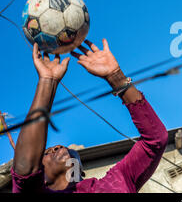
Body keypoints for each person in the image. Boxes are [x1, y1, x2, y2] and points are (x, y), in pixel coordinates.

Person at [11, 39, 168, 193]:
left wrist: (115, 77)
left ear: (82, 170)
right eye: (47, 152)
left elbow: (155, 140)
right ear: (41, 177)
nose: (58, 147)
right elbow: (25, 168)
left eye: (57, 147)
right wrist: (47, 81)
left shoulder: (118, 180)